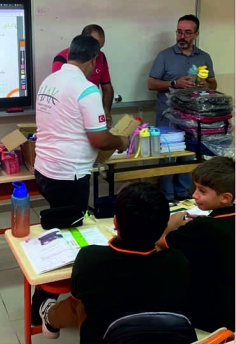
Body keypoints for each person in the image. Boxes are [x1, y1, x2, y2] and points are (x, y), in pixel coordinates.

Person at [31, 35, 130, 326]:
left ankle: (52, 297)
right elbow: (99, 139)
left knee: (59, 228)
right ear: (94, 60)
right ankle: (46, 303)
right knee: (70, 238)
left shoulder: (49, 81)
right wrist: (121, 141)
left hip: (45, 169)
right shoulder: (86, 89)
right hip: (68, 175)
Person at [38, 181, 191, 343]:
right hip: (161, 337)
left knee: (79, 303)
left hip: (105, 337)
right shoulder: (177, 263)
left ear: (115, 222)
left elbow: (78, 294)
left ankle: (49, 317)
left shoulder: (90, 259)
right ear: (164, 227)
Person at [157, 156, 235, 332]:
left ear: (225, 198)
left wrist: (172, 222)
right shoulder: (219, 222)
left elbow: (160, 242)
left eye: (202, 191)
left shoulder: (203, 227)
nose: (194, 195)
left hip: (208, 317)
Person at [148, 14, 218, 201]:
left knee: (188, 156)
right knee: (168, 157)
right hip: (168, 116)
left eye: (187, 33)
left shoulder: (204, 57)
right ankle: (167, 197)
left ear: (196, 34)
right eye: (179, 32)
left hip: (193, 118)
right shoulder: (164, 56)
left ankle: (184, 196)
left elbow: (213, 84)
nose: (182, 36)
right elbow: (151, 84)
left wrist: (206, 85)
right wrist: (174, 83)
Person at [52, 24, 113, 127]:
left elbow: (107, 87)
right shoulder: (61, 59)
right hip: (70, 117)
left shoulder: (100, 57)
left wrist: (105, 111)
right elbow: (60, 95)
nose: (97, 53)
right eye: (95, 46)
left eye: (100, 48)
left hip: (93, 112)